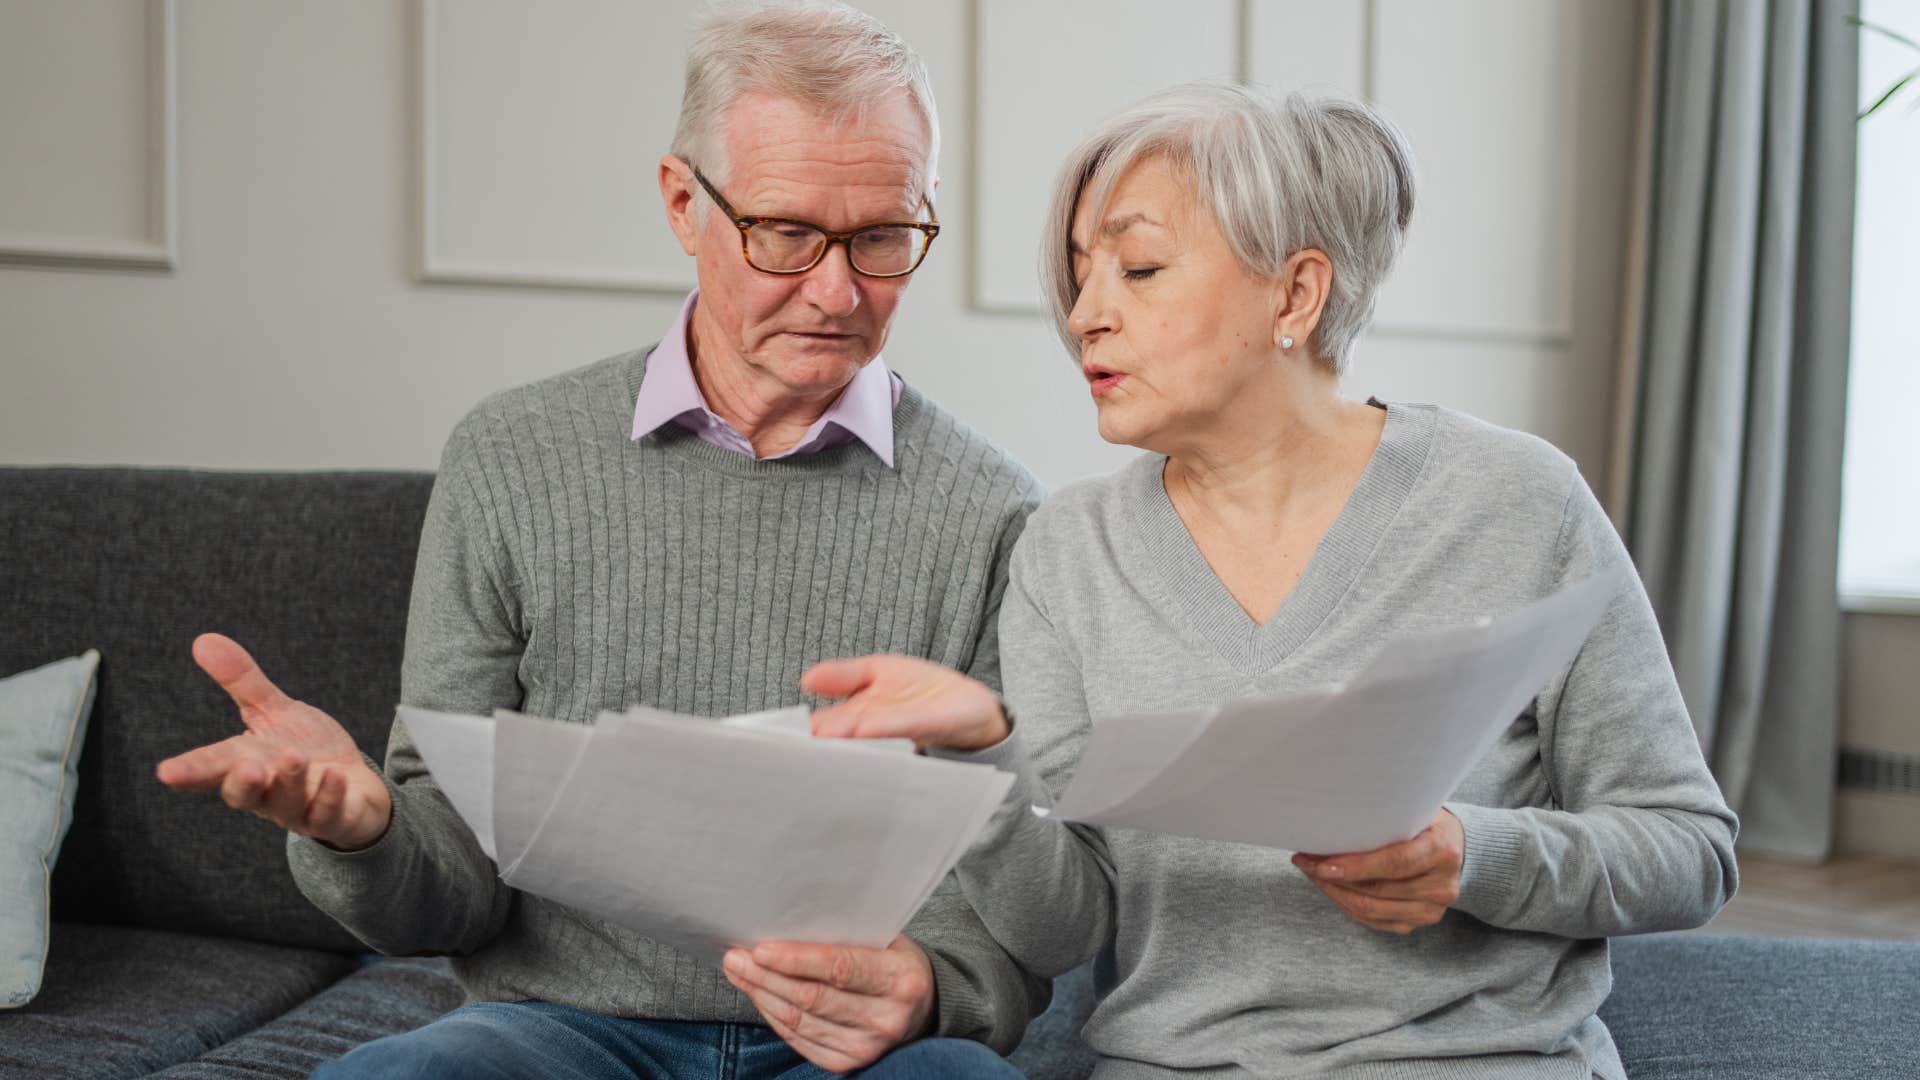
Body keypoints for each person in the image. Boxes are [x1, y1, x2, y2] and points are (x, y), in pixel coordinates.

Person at [154, 3, 1045, 1077]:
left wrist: (940, 989)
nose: (837, 290)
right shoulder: (513, 457)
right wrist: (362, 829)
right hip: (556, 1029)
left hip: (849, 1055)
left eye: (883, 237)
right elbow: (452, 889)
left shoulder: (993, 510)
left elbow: (1025, 886)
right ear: (683, 201)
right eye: (787, 233)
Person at [800, 82, 1740, 1079]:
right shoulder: (1066, 550)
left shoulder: (1517, 501)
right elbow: (1064, 925)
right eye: (1078, 276)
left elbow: (1689, 850)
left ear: (1295, 295)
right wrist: (987, 755)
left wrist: (1474, 855)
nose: (1085, 316)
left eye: (1141, 268)